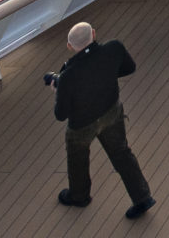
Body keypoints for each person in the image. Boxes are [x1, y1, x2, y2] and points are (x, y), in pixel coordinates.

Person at [51, 21, 154, 218]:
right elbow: (129, 67)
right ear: (94, 34)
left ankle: (79, 195)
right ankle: (142, 197)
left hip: (82, 125)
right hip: (111, 113)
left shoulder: (67, 76)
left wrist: (58, 90)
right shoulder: (114, 48)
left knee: (77, 157)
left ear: (70, 47)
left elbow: (60, 114)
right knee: (122, 153)